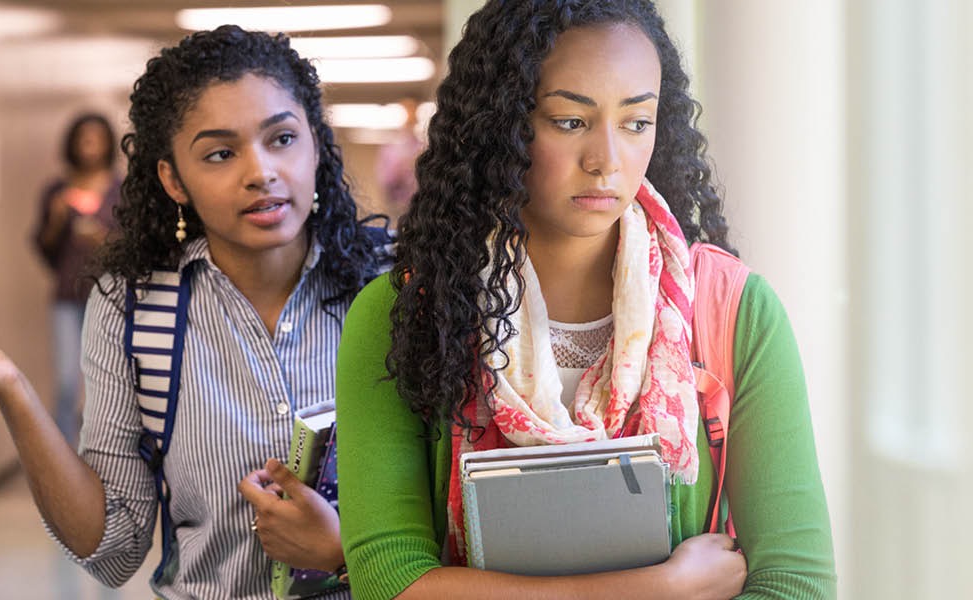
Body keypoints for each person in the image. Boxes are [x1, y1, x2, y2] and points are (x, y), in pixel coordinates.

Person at [334, 1, 837, 599]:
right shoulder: (406, 315)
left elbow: (796, 582)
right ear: (502, 124)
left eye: (636, 122)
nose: (606, 160)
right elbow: (389, 582)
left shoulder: (733, 311)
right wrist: (663, 589)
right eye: (570, 121)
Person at [0, 26, 386, 599]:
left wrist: (345, 556)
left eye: (282, 139)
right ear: (174, 180)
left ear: (315, 142)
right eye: (220, 153)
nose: (260, 171)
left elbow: (468, 521)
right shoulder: (135, 307)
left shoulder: (394, 289)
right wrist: (12, 391)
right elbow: (114, 549)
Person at [32, 112, 122, 448]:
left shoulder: (122, 189)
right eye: (83, 138)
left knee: (108, 380)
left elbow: (134, 245)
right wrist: (57, 220)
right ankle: (63, 456)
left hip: (110, 297)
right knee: (68, 380)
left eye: (96, 137)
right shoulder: (56, 191)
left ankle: (104, 453)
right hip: (67, 297)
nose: (89, 145)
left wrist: (103, 239)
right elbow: (43, 249)